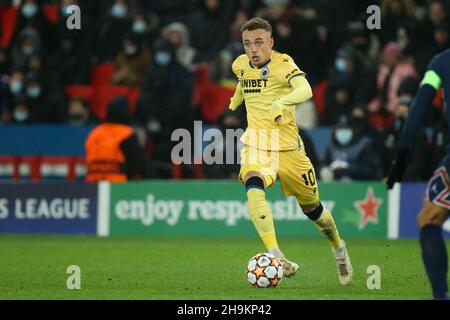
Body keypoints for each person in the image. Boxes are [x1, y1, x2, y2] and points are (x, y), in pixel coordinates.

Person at [228, 18, 352, 284]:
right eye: (248, 43)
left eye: (259, 42)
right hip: (257, 144)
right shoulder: (239, 64)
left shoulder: (283, 64)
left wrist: (282, 101)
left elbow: (305, 89)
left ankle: (339, 248)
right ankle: (276, 254)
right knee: (253, 184)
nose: (253, 49)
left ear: (271, 42)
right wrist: (236, 98)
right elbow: (244, 80)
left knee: (315, 212)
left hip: (289, 150)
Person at [387, 49, 450, 300]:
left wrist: (401, 155)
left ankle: (440, 296)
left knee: (429, 220)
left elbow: (420, 104)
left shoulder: (441, 63)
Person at [85, 96, 151, 183]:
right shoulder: (126, 133)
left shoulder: (93, 133)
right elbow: (138, 165)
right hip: (117, 186)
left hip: (92, 185)